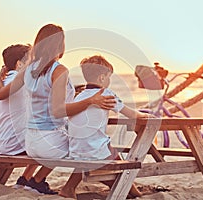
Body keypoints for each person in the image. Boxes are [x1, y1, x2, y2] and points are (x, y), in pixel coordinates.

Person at [0, 24, 116, 195]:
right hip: (49, 143)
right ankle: (73, 188)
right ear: (60, 44)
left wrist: (0, 79)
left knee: (81, 142)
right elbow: (58, 111)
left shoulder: (29, 69)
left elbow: (1, 94)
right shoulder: (59, 70)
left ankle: (35, 181)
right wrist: (91, 100)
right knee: (90, 146)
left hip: (31, 142)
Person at [60, 55, 153, 198]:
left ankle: (69, 188)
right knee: (118, 161)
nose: (110, 80)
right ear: (102, 78)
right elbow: (131, 114)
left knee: (91, 149)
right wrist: (146, 115)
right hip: (93, 151)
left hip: (75, 149)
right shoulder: (106, 94)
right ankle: (134, 193)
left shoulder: (79, 97)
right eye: (109, 77)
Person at [0, 44, 37, 188]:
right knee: (53, 140)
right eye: (31, 59)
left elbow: (0, 93)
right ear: (20, 64)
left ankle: (25, 179)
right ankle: (34, 180)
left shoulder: (5, 82)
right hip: (11, 144)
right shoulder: (22, 81)